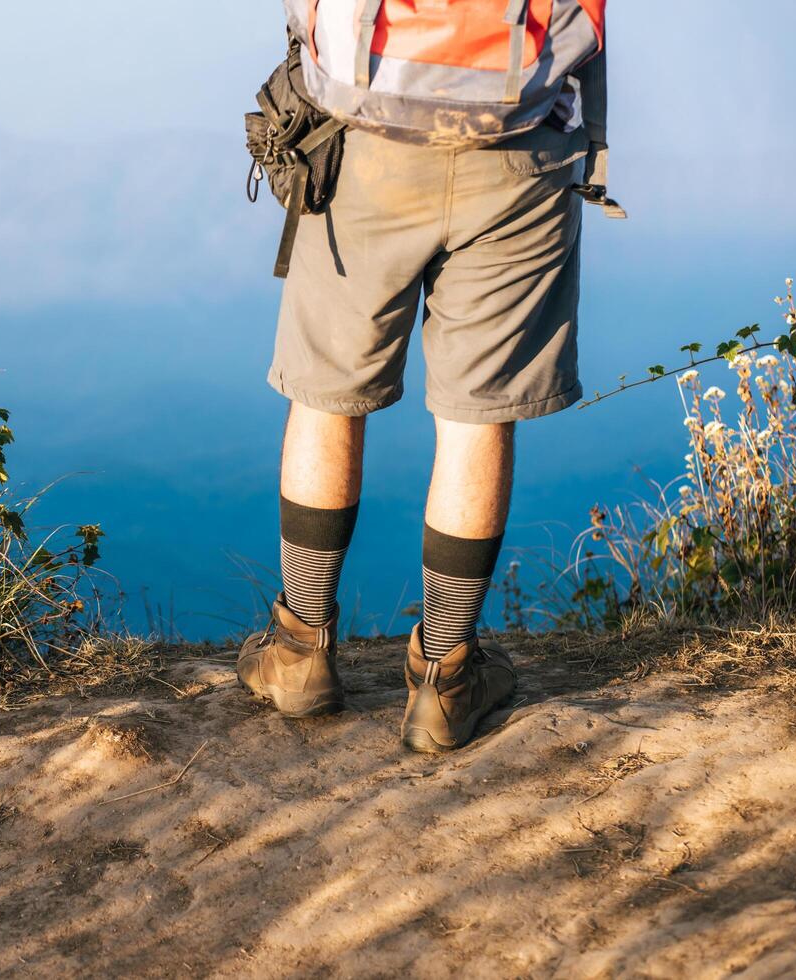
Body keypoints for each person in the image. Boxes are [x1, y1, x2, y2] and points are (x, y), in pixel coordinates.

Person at [238, 0, 615, 753]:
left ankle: (300, 653)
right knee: (475, 416)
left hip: (362, 140)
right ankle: (445, 680)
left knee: (327, 394)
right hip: (519, 145)